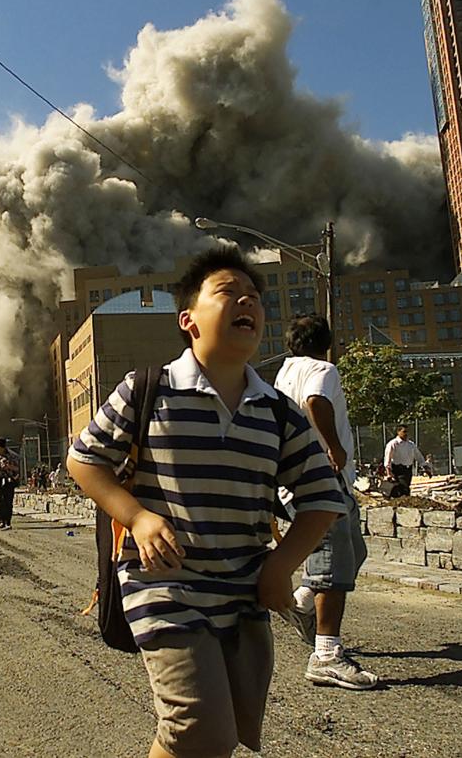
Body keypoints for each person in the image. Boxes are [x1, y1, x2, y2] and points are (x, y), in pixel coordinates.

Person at [69, 247, 347, 758]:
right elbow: (83, 460)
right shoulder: (146, 390)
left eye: (255, 297)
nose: (247, 300)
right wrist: (137, 516)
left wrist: (282, 564)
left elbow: (323, 497)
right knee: (201, 728)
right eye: (227, 291)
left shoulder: (278, 413)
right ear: (188, 320)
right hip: (163, 585)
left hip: (243, 594)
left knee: (209, 737)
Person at [274, 314, 380, 691]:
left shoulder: (284, 372)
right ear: (327, 342)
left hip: (308, 478)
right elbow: (315, 400)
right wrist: (334, 447)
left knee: (354, 551)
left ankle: (302, 602)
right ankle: (326, 655)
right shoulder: (323, 369)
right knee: (333, 562)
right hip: (319, 479)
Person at [383, 425, 424, 498]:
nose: (406, 434)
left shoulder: (411, 444)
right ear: (398, 432)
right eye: (404, 431)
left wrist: (425, 467)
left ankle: (397, 501)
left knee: (403, 487)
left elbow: (418, 456)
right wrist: (388, 473)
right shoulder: (393, 444)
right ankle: (403, 502)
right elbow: (387, 459)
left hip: (408, 470)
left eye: (407, 432)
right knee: (404, 489)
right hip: (398, 469)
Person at [0, 437, 19, 530]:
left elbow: (17, 468)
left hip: (8, 480)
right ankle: (0, 521)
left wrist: (9, 466)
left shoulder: (12, 456)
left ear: (0, 447)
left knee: (8, 501)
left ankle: (7, 522)